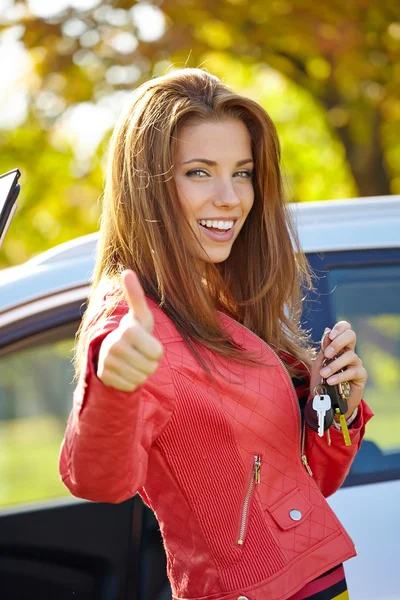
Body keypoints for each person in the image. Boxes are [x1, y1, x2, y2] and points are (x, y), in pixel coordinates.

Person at [59, 68, 373, 600]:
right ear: (148, 187)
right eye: (200, 173)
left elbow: (300, 488)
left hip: (315, 579)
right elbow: (97, 480)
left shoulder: (216, 299)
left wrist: (332, 404)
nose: (231, 198)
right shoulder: (130, 324)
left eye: (243, 173)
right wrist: (111, 383)